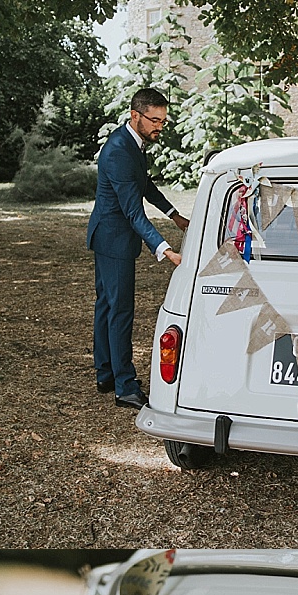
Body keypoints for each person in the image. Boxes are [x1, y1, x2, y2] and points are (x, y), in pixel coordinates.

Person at [86, 87, 189, 408]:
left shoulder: (132, 144)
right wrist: (165, 249)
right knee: (119, 310)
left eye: (163, 120)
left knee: (106, 305)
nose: (160, 126)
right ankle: (125, 386)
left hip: (108, 236)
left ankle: (105, 372)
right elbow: (132, 211)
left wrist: (175, 216)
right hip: (113, 239)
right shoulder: (118, 150)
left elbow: (143, 184)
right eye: (155, 120)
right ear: (136, 116)